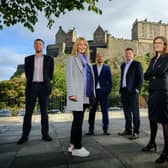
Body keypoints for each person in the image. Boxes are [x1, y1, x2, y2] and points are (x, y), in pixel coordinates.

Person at [17, 39, 54, 144]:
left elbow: (50, 74)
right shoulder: (28, 59)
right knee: (28, 113)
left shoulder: (49, 59)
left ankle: (45, 134)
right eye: (36, 44)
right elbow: (28, 74)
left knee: (44, 113)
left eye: (40, 44)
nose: (38, 46)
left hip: (44, 87)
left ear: (43, 46)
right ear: (34, 46)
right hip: (32, 87)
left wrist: (46, 83)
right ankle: (24, 136)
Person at [66, 37, 95, 157]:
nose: (83, 46)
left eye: (85, 45)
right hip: (77, 95)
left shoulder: (87, 61)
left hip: (85, 96)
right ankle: (77, 147)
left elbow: (90, 79)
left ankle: (72, 144)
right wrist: (71, 94)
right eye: (80, 45)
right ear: (76, 46)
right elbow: (69, 77)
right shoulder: (72, 58)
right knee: (78, 121)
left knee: (77, 121)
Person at [142, 36, 168, 164]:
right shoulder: (153, 59)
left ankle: (166, 152)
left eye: (160, 43)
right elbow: (146, 75)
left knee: (164, 121)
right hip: (152, 91)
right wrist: (153, 74)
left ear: (164, 45)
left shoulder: (167, 57)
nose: (157, 45)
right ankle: (152, 143)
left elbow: (161, 71)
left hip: (163, 92)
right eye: (155, 43)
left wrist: (153, 74)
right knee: (152, 118)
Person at [118, 48, 143, 139]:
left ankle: (136, 132)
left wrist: (137, 89)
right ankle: (128, 130)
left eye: (129, 53)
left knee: (135, 112)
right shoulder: (123, 65)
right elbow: (123, 78)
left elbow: (141, 78)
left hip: (133, 92)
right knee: (126, 111)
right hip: (124, 91)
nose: (128, 55)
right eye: (126, 54)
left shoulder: (137, 64)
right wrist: (120, 88)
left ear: (133, 54)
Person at [85, 52, 112, 135]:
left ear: (103, 58)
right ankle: (91, 129)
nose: (100, 58)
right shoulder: (92, 67)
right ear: (96, 58)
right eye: (98, 57)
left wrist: (107, 91)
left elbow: (110, 82)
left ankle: (105, 129)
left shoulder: (107, 68)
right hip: (94, 93)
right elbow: (89, 80)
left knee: (105, 111)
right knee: (92, 111)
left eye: (101, 56)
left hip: (103, 93)